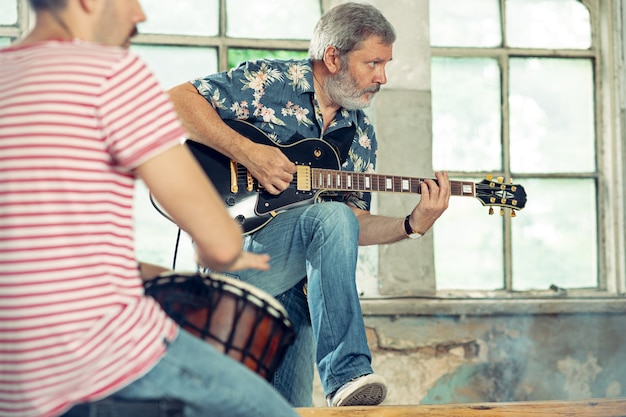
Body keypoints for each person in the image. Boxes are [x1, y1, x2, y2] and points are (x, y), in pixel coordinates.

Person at [0, 1, 302, 417]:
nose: (139, 16)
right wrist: (220, 247)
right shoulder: (110, 74)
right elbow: (218, 240)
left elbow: (38, 255)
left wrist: (157, 274)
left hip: (16, 387)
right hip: (107, 358)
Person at [168, 1, 451, 408]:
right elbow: (176, 100)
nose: (382, 77)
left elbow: (351, 223)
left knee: (289, 409)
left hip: (297, 292)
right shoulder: (267, 81)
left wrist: (411, 224)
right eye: (373, 63)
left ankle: (339, 383)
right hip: (234, 259)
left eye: (385, 65)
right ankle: (347, 373)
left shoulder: (360, 133)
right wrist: (249, 153)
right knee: (329, 216)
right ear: (333, 57)